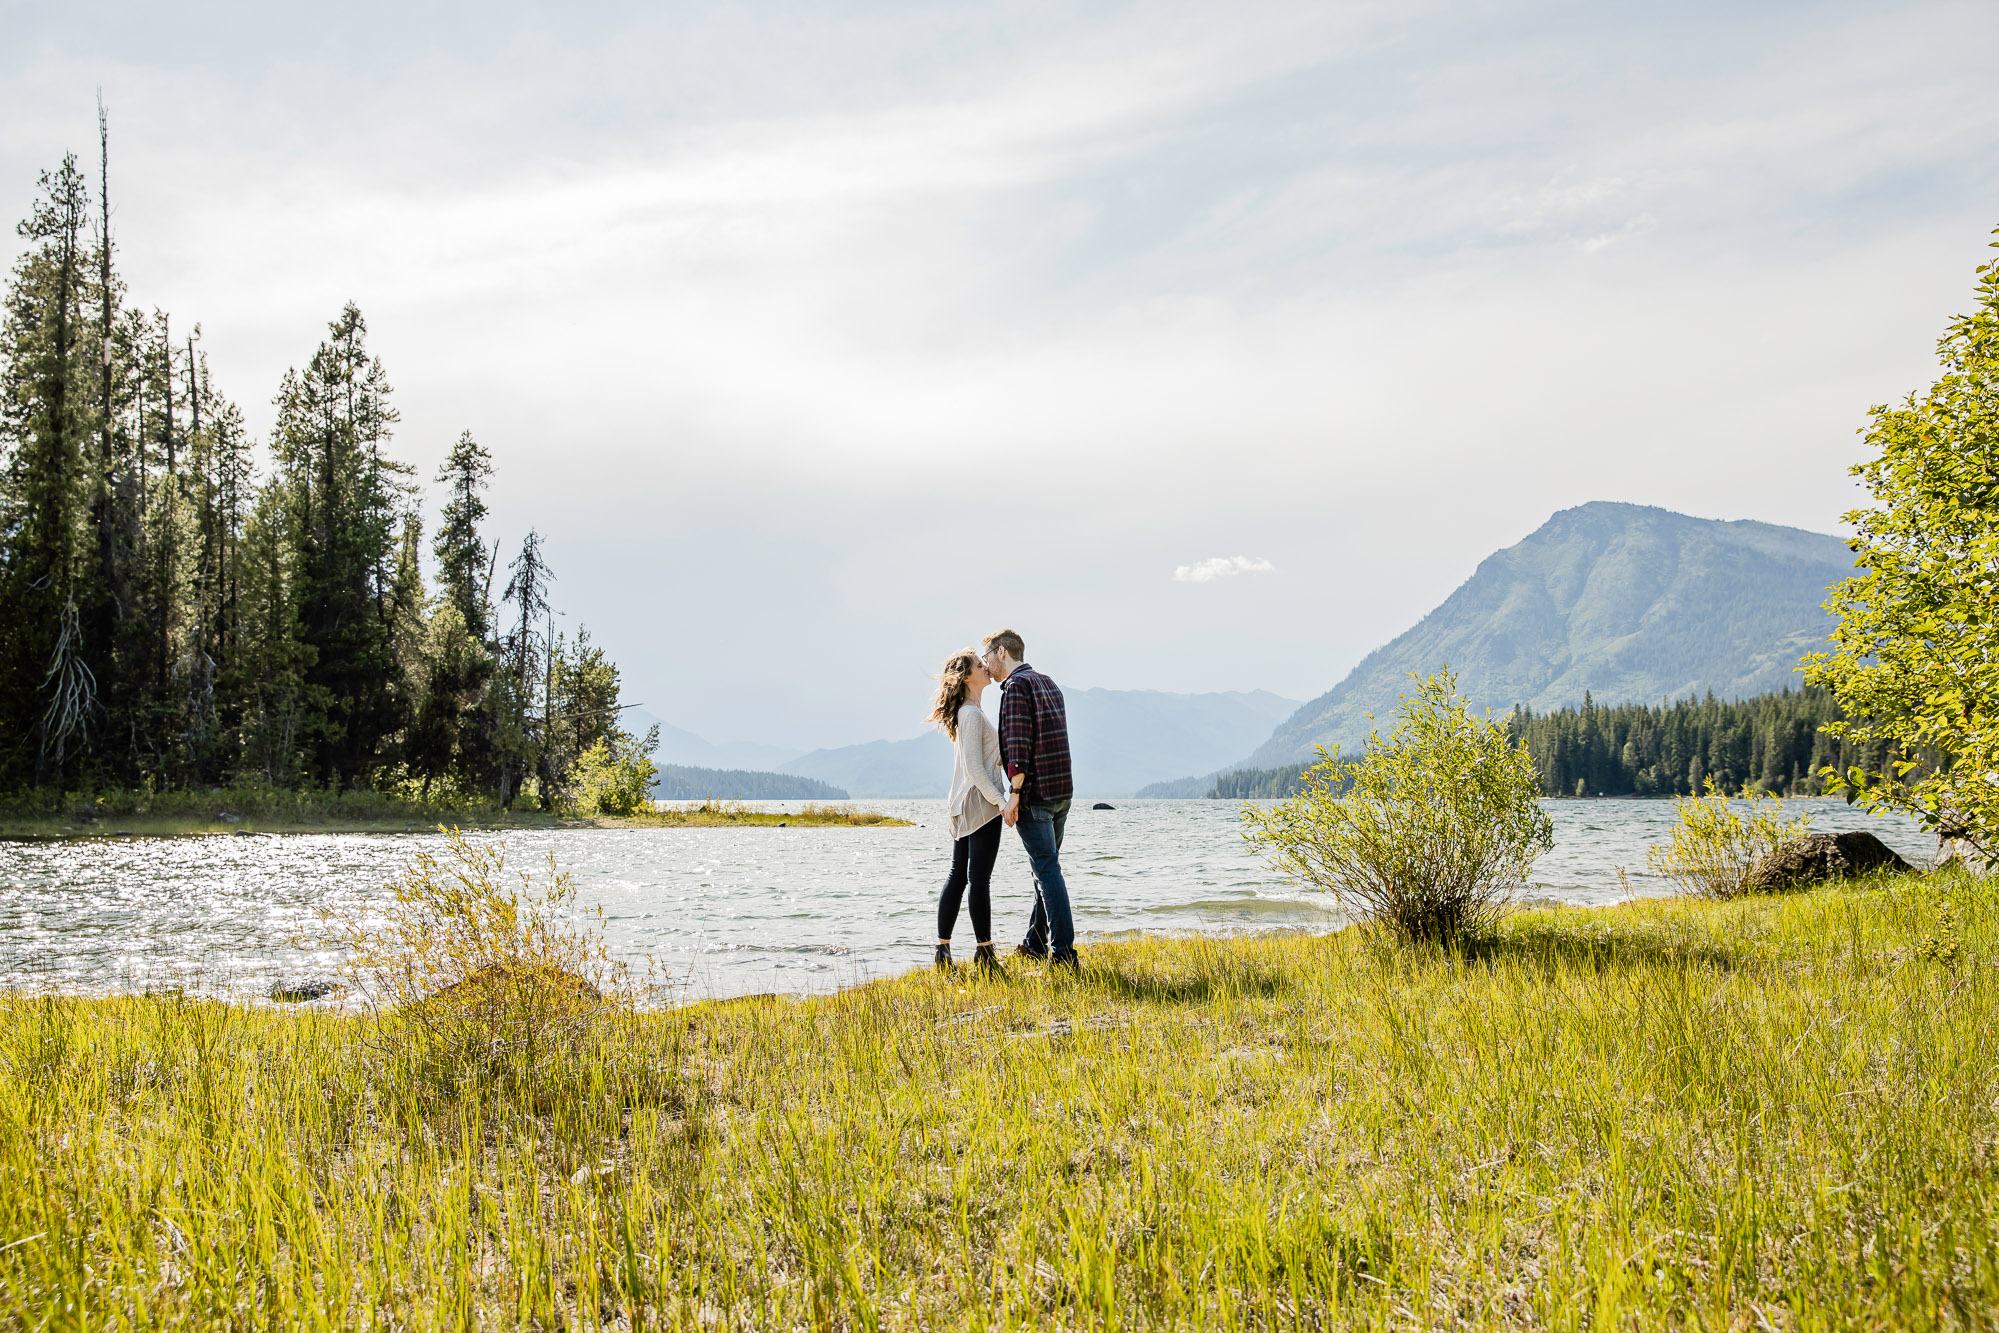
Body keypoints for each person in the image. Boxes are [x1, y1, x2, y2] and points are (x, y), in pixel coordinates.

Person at [980, 628, 1079, 969]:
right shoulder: (1048, 682)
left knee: (1047, 871)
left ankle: (1065, 955)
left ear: (1002, 651)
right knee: (1046, 871)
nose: (986, 664)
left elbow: (1019, 748)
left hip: (1035, 794)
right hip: (1062, 792)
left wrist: (1014, 795)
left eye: (987, 656)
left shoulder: (1016, 687)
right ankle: (1035, 944)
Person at [928, 648, 1008, 974]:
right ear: (966, 677)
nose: (986, 666)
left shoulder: (970, 711)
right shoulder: (971, 714)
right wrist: (1002, 803)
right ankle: (984, 954)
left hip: (964, 801)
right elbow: (977, 769)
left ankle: (943, 951)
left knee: (960, 875)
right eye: (979, 664)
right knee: (978, 880)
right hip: (980, 801)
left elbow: (984, 761)